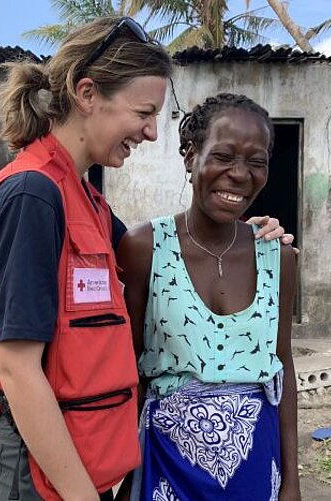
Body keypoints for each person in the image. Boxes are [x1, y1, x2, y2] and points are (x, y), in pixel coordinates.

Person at [0, 17, 292, 501]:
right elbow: (17, 369)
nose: (152, 132)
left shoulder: (88, 204)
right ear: (88, 94)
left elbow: (171, 252)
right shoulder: (33, 195)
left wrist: (252, 233)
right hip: (34, 464)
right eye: (144, 112)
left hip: (71, 458)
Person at [117, 93, 300, 500]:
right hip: (167, 466)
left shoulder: (279, 257)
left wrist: (291, 481)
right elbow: (128, 368)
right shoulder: (145, 247)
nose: (239, 174)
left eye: (257, 162)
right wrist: (129, 476)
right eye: (223, 156)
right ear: (189, 156)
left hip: (256, 464)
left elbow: (282, 365)